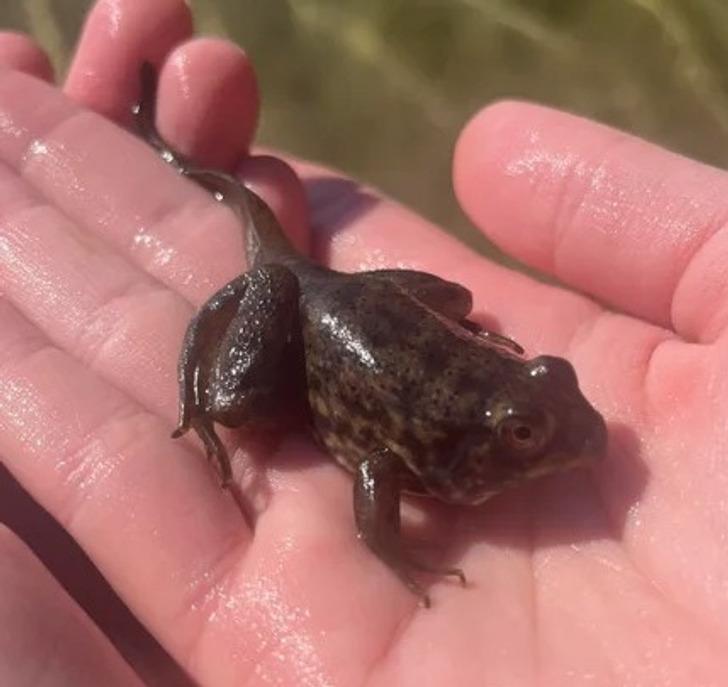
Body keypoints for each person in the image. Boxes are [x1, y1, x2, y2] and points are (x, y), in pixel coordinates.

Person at [1, 0, 727, 684]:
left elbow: (391, 455)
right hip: (321, 313)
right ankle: (211, 304)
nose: (569, 433)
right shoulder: (441, 451)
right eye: (529, 430)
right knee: (233, 404)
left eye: (537, 401)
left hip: (362, 310)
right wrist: (392, 549)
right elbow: (378, 468)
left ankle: (177, 159)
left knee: (457, 304)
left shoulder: (465, 441)